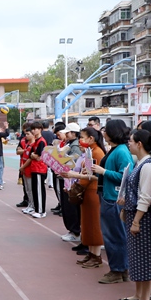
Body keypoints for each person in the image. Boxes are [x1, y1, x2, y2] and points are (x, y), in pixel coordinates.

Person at [118, 128, 151, 300]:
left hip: (142, 218)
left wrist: (136, 220)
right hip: (134, 214)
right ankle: (138, 293)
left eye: (131, 141)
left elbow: (145, 196)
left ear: (139, 144)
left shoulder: (148, 166)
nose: (129, 143)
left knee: (145, 258)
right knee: (136, 257)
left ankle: (145, 297)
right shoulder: (139, 163)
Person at [90, 119, 134, 284]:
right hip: (109, 196)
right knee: (113, 235)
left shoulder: (121, 152)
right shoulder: (116, 150)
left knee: (115, 235)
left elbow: (126, 176)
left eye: (106, 131)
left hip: (113, 199)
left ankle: (118, 269)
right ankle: (120, 269)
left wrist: (104, 171)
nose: (104, 133)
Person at [61, 127, 105, 267]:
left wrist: (75, 177)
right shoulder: (89, 152)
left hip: (92, 192)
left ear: (91, 138)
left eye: (83, 137)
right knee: (87, 224)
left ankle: (96, 255)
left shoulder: (97, 152)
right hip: (86, 191)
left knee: (93, 225)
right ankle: (91, 253)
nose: (81, 140)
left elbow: (92, 176)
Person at [57, 123, 82, 240]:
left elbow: (72, 163)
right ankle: (72, 230)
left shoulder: (75, 146)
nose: (65, 134)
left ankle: (75, 231)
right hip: (66, 177)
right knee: (67, 206)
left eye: (68, 132)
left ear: (74, 133)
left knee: (71, 207)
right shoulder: (69, 144)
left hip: (71, 179)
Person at [26, 121, 49, 218]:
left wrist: (33, 155)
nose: (33, 131)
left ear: (40, 129)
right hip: (35, 168)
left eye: (35, 129)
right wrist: (33, 155)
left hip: (40, 168)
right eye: (32, 129)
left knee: (39, 190)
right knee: (35, 189)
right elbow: (32, 155)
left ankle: (41, 211)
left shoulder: (41, 141)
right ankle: (37, 209)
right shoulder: (36, 141)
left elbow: (39, 156)